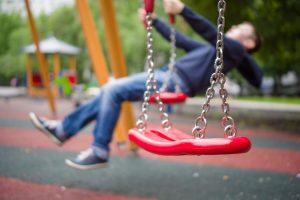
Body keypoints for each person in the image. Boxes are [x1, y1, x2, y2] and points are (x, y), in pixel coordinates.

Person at [29, 0, 263, 170]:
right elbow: (181, 41)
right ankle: (63, 131)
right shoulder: (212, 50)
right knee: (108, 92)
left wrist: (183, 11)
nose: (231, 29)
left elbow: (213, 32)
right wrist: (156, 22)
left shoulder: (235, 51)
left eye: (238, 29)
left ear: (249, 43)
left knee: (112, 89)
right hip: (167, 75)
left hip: (174, 82)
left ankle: (98, 149)